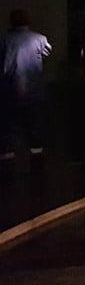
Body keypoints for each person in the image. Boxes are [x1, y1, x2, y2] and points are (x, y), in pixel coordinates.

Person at [0, 9, 53, 168]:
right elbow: (47, 53)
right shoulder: (40, 39)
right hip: (34, 91)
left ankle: (8, 158)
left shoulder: (4, 41)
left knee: (9, 126)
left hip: (10, 91)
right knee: (34, 125)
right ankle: (37, 158)